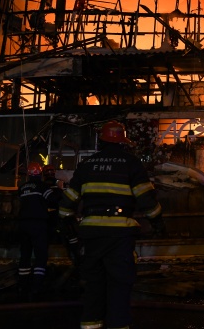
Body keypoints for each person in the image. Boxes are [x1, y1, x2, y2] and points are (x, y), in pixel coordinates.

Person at [59, 120, 165, 329]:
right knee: (119, 284)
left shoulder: (87, 165)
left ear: (102, 141)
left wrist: (67, 224)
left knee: (94, 285)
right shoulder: (131, 163)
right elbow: (146, 199)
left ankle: (90, 325)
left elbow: (67, 203)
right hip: (120, 236)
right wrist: (158, 222)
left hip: (91, 235)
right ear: (122, 142)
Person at [17, 162, 51, 300]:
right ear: (40, 174)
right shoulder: (43, 187)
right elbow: (53, 200)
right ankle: (37, 287)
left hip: (23, 225)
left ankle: (22, 286)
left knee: (25, 256)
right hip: (38, 225)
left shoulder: (22, 188)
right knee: (40, 256)